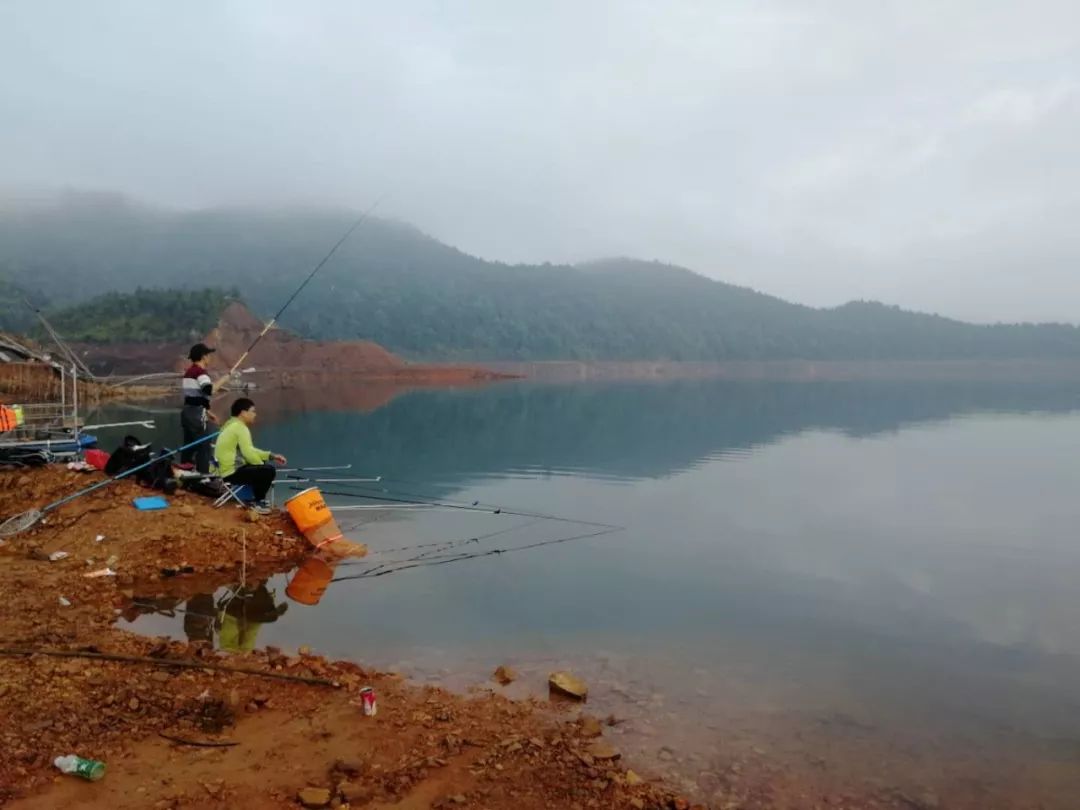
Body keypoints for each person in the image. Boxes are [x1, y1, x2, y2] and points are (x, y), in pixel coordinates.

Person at [214, 397, 286, 514]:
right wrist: (262, 465)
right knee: (268, 471)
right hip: (230, 473)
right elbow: (248, 453)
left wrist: (271, 456)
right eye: (252, 411)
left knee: (261, 467)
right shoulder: (240, 428)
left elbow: (250, 450)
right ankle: (258, 502)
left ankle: (255, 500)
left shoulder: (230, 425)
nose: (255, 414)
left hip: (222, 470)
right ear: (243, 413)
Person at [180, 343, 218, 473]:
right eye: (208, 355)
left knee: (189, 445)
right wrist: (223, 381)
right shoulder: (201, 373)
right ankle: (204, 476)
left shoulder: (189, 372)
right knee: (204, 446)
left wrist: (208, 412)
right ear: (203, 356)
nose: (210, 358)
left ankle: (185, 471)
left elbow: (194, 397)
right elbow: (208, 390)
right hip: (196, 415)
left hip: (187, 413)